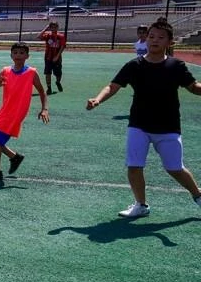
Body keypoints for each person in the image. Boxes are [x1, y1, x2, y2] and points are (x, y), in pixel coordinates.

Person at [85, 19, 201, 218]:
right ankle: (141, 205)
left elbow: (193, 87)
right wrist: (98, 99)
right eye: (151, 36)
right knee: (134, 166)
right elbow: (113, 86)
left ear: (170, 42)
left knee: (175, 168)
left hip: (168, 126)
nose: (154, 40)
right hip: (139, 124)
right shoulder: (134, 65)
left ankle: (198, 196)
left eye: (160, 37)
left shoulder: (176, 66)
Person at [0, 43, 50, 181]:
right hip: (4, 110)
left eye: (22, 53)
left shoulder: (31, 73)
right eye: (15, 53)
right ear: (11, 55)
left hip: (16, 112)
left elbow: (42, 91)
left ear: (27, 56)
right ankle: (14, 157)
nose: (18, 56)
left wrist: (44, 109)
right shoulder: (6, 71)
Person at [38, 21, 66, 94]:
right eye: (52, 27)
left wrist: (57, 56)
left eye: (55, 27)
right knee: (48, 73)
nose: (53, 28)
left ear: (57, 27)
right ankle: (49, 88)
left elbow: (62, 47)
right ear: (50, 28)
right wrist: (45, 29)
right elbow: (39, 37)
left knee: (58, 73)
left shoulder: (61, 36)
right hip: (48, 58)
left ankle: (58, 82)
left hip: (57, 58)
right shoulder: (47, 35)